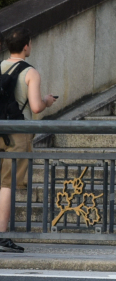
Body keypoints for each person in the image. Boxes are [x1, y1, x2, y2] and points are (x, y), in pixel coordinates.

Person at [0, 29, 56, 255]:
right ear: (26, 46)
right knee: (7, 184)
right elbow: (34, 107)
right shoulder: (30, 72)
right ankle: (2, 237)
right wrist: (47, 101)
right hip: (17, 133)